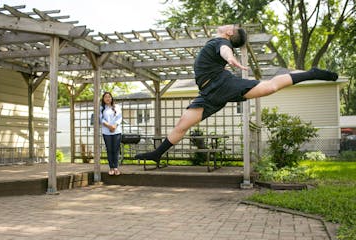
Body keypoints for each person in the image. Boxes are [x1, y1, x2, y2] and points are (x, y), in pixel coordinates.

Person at [135, 24, 338, 163]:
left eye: (230, 27)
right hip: (209, 93)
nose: (226, 26)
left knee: (270, 87)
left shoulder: (220, 43)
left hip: (221, 85)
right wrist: (228, 59)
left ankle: (312, 73)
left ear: (229, 34)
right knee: (182, 124)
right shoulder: (216, 42)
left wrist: (230, 58)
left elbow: (225, 50)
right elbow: (224, 50)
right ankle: (157, 154)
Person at [100, 92, 123, 175]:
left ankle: (116, 167)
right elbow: (101, 119)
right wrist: (109, 126)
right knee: (109, 150)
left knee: (116, 150)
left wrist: (114, 126)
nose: (107, 98)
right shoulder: (101, 108)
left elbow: (119, 118)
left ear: (111, 98)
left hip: (117, 131)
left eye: (109, 97)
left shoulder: (117, 107)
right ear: (103, 99)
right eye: (105, 97)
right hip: (106, 132)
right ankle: (111, 168)